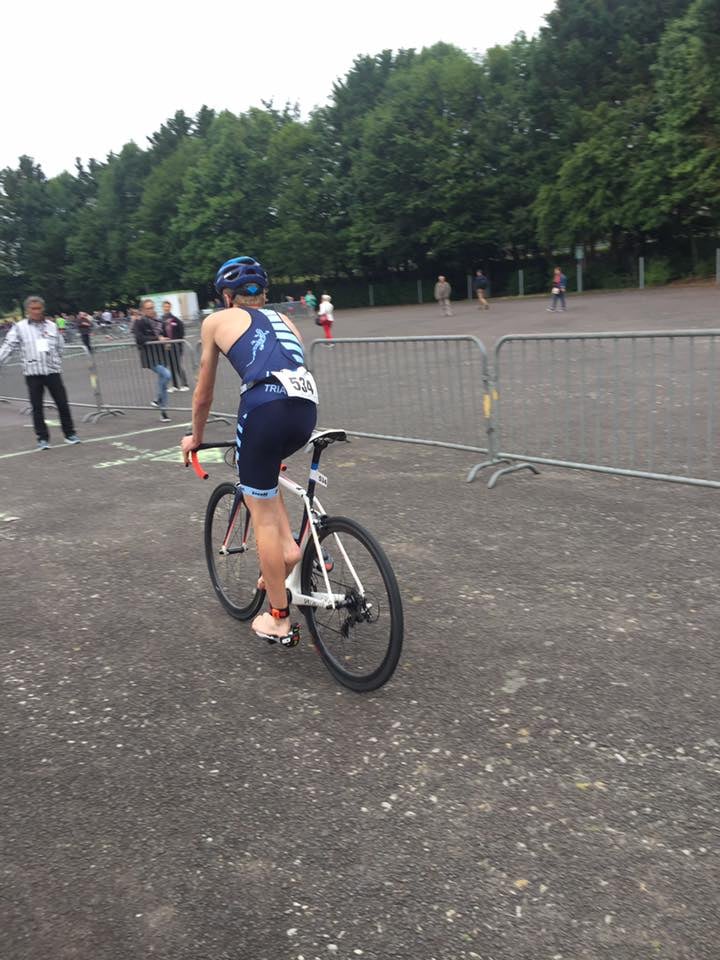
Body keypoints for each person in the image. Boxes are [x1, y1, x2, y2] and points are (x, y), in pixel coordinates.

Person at [181, 256, 318, 643]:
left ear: (227, 297)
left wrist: (195, 437)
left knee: (262, 516)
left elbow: (203, 393)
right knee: (267, 482)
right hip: (305, 410)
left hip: (263, 409)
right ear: (264, 295)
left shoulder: (216, 321)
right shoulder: (287, 320)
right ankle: (289, 550)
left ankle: (278, 618)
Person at [0, 295, 81, 450]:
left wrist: (56, 360)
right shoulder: (19, 327)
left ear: (43, 308)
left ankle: (70, 434)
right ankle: (42, 438)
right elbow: (8, 346)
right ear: (27, 310)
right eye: (33, 309)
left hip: (52, 371)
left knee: (62, 403)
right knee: (37, 407)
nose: (36, 311)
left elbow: (60, 345)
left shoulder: (51, 326)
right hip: (33, 373)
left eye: (39, 308)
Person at [134, 298, 172, 421]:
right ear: (143, 310)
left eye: (152, 307)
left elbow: (163, 335)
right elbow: (139, 339)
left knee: (163, 383)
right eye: (148, 308)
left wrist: (166, 342)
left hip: (161, 354)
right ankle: (158, 399)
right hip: (149, 357)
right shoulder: (139, 322)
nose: (151, 310)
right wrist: (157, 339)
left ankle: (163, 412)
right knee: (167, 375)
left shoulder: (159, 321)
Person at [160, 300, 190, 392]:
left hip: (176, 345)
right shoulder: (161, 320)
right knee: (171, 366)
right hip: (166, 347)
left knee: (177, 365)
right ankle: (175, 385)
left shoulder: (175, 320)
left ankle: (185, 384)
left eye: (168, 306)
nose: (166, 308)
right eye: (165, 306)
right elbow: (160, 332)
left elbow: (181, 332)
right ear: (162, 308)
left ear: (170, 307)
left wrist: (179, 343)